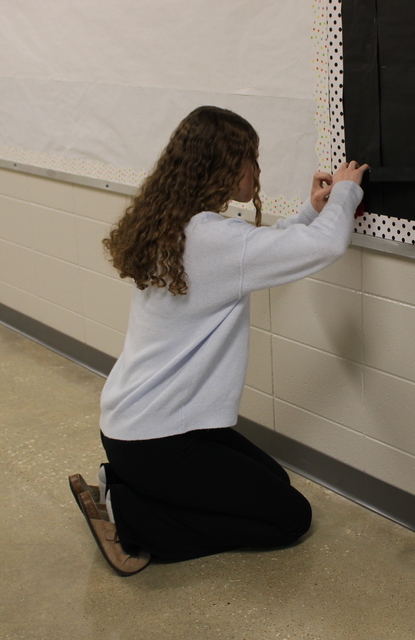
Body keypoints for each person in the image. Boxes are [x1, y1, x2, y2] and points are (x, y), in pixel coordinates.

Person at [68, 106, 369, 576]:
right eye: (251, 158)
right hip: (160, 440)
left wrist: (312, 212)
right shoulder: (214, 239)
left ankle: (123, 483)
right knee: (290, 518)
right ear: (227, 168)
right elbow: (320, 249)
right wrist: (347, 192)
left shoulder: (175, 225)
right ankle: (134, 521)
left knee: (273, 481)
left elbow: (255, 255)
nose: (256, 170)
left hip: (133, 429)